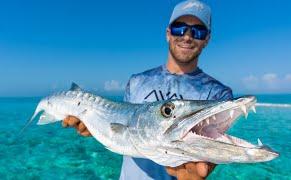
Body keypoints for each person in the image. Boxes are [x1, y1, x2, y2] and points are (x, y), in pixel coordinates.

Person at [62, 0, 233, 179]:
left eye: (198, 31)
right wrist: (95, 125)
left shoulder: (219, 96)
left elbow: (212, 149)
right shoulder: (137, 81)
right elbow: (120, 125)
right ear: (168, 33)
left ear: (207, 39)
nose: (187, 36)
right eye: (179, 28)